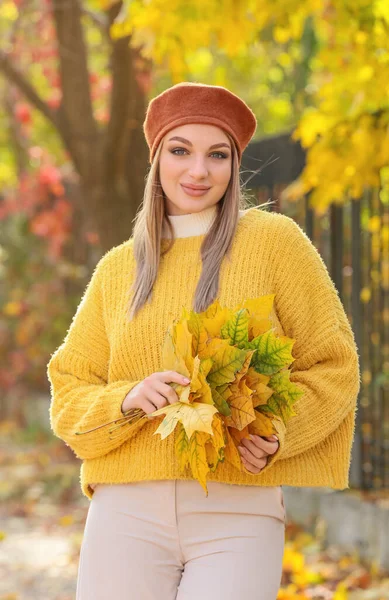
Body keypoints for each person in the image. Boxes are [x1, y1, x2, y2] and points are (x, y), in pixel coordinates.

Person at [47, 82, 361, 600]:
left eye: (217, 155)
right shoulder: (117, 269)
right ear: (156, 160)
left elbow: (335, 365)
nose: (198, 171)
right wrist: (125, 399)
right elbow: (69, 388)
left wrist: (278, 431)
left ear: (235, 165)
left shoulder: (275, 243)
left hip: (237, 509)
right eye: (180, 151)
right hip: (125, 509)